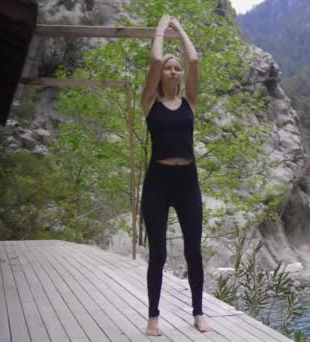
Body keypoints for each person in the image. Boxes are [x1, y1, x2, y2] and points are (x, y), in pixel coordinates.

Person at [140, 14, 211, 335]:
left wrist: (179, 28)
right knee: (159, 253)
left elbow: (194, 58)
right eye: (169, 67)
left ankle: (198, 313)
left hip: (187, 183)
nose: (172, 70)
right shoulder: (149, 102)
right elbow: (155, 57)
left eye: (176, 67)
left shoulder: (190, 102)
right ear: (160, 75)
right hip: (158, 183)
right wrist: (160, 28)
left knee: (193, 251)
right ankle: (153, 317)